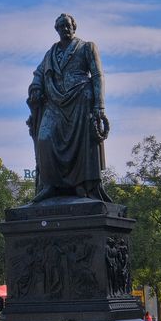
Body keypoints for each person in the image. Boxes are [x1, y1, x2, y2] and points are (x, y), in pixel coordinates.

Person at [26, 13, 110, 203]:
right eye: (61, 26)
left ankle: (81, 183)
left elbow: (98, 75)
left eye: (67, 25)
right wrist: (36, 88)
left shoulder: (87, 47)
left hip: (80, 98)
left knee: (81, 143)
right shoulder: (50, 53)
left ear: (74, 27)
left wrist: (100, 105)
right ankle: (50, 184)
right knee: (44, 138)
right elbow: (39, 74)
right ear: (56, 30)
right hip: (55, 103)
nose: (64, 29)